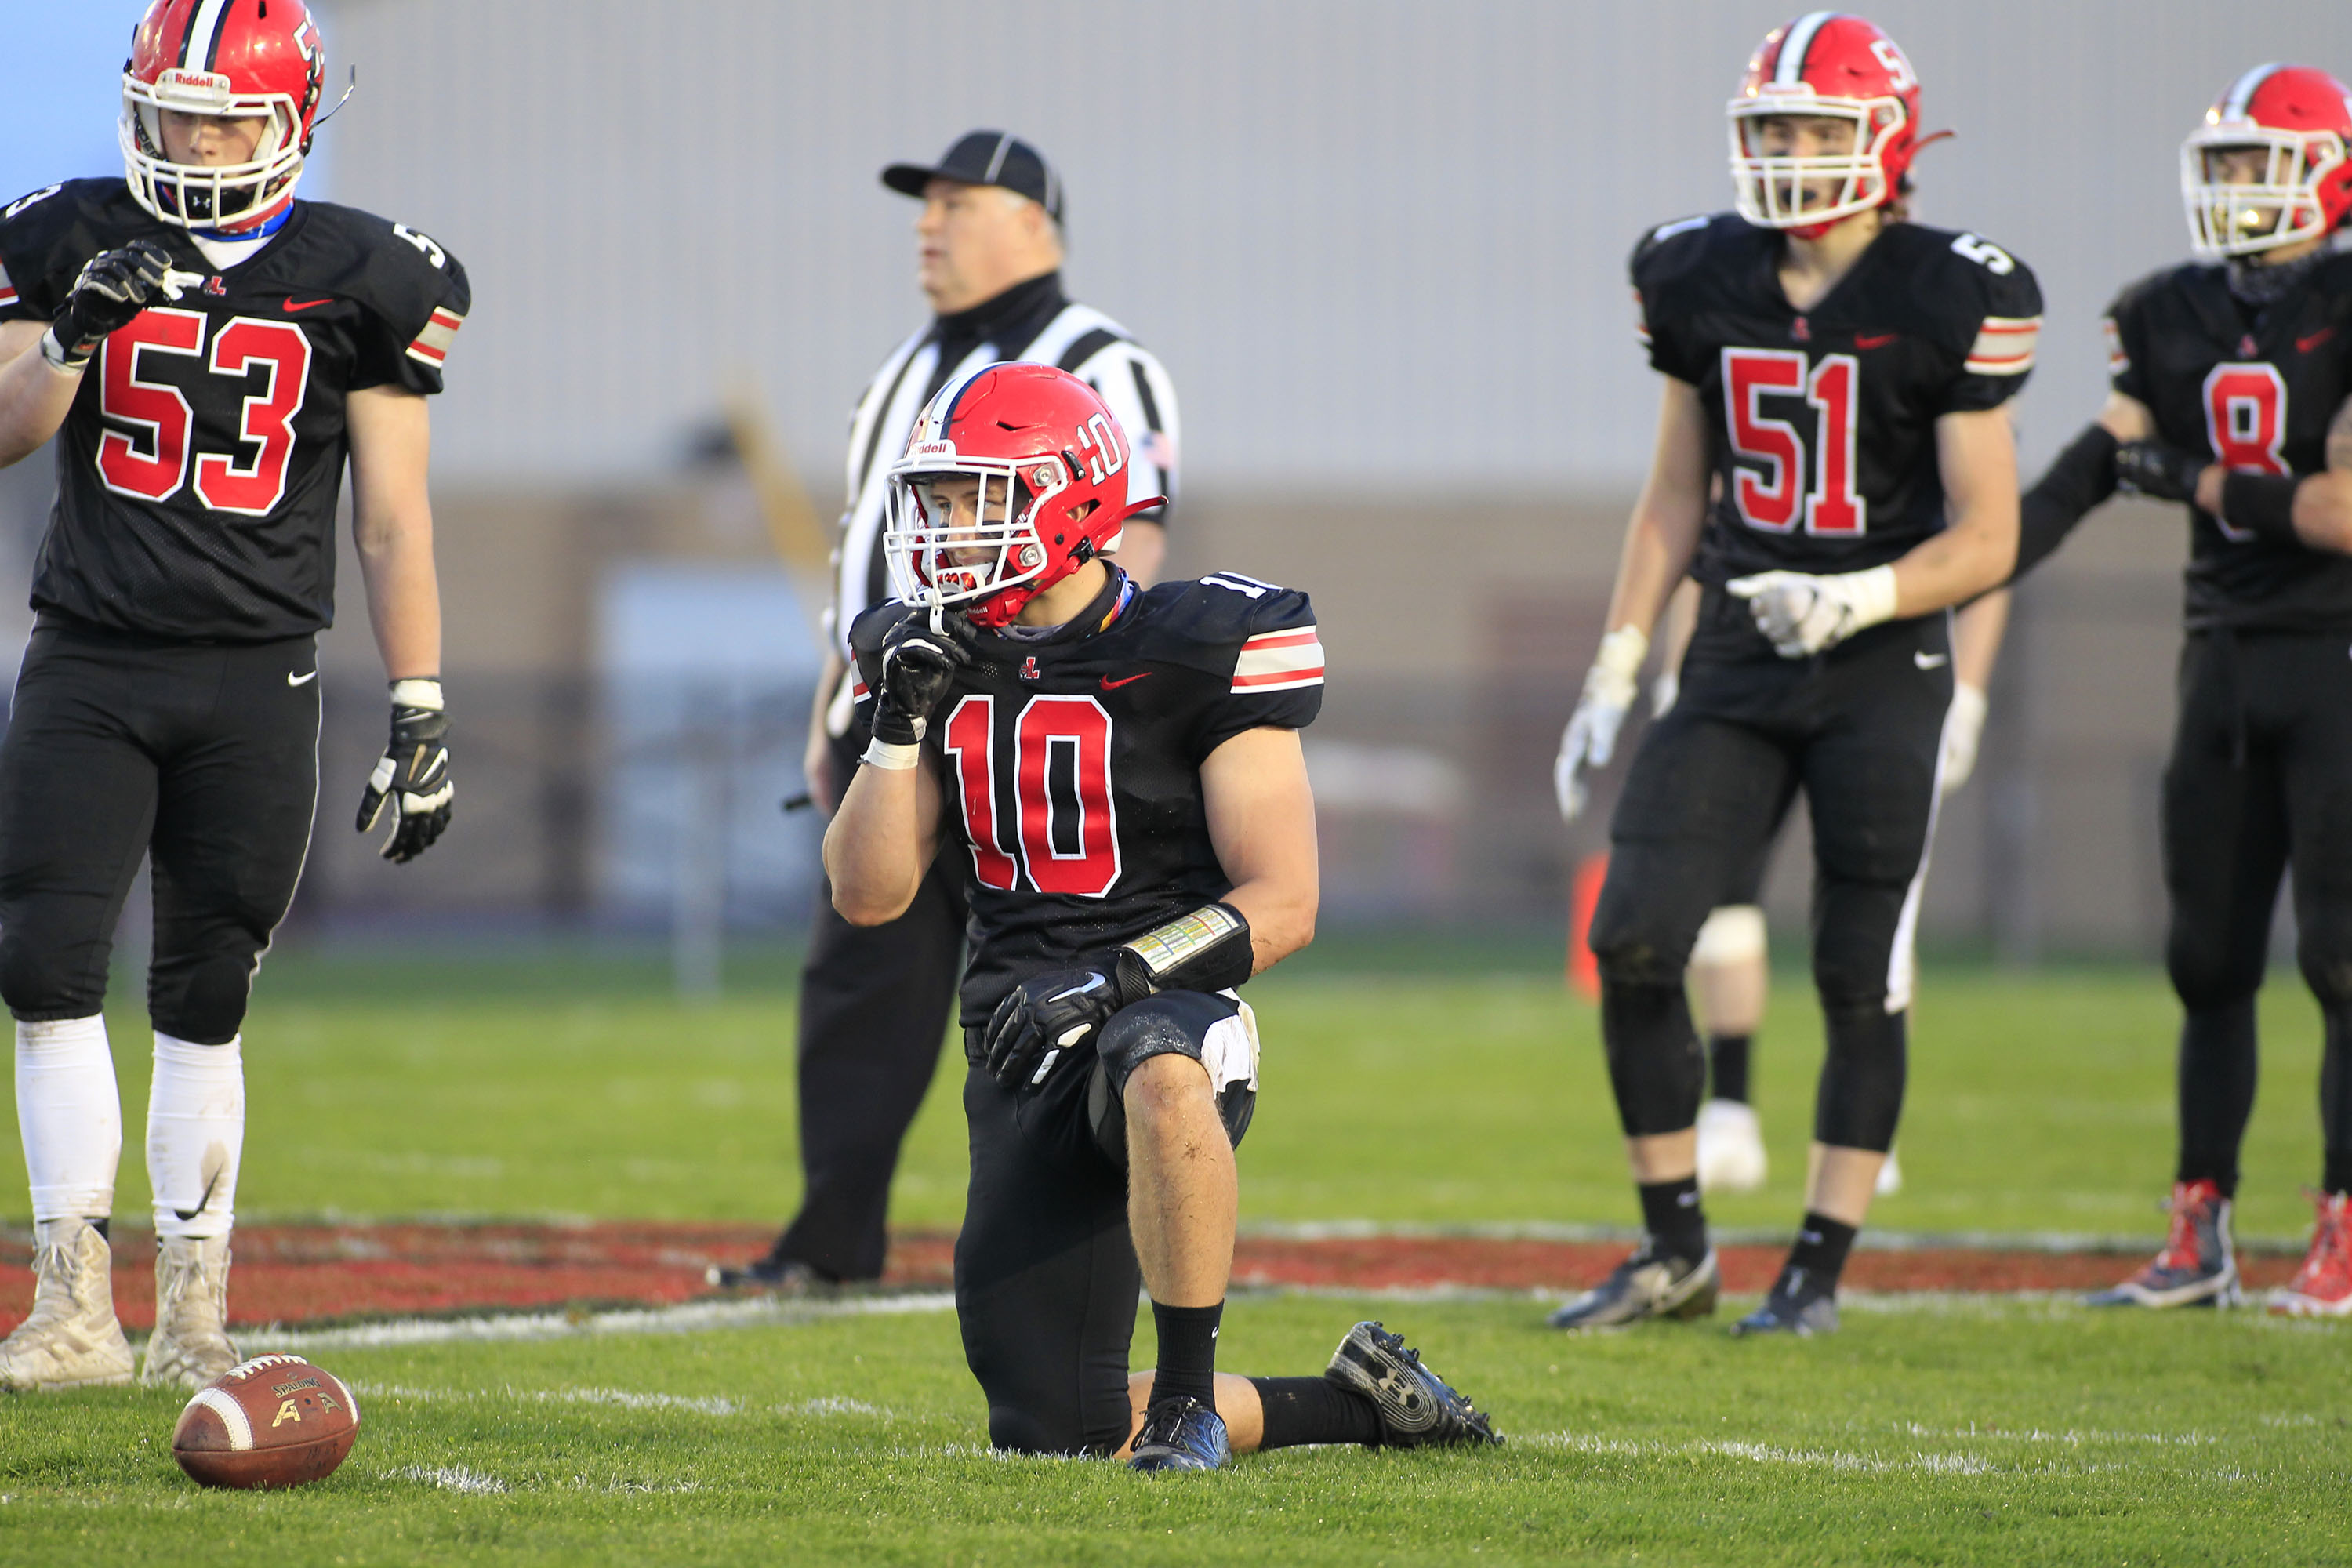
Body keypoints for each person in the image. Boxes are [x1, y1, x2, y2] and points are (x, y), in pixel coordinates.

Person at [828, 361, 1498, 1467]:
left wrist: (1115, 980)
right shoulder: (928, 654)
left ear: (1074, 500)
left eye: (973, 500)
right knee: (1053, 1431)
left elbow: (1285, 900)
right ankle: (1362, 1403)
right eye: (937, 502)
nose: (944, 530)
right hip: (1016, 1037)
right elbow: (867, 894)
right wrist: (896, 731)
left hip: (1171, 1006)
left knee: (1155, 1060)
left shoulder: (1194, 646)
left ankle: (1190, 1395)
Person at [1548, 12, 2038, 1336]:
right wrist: (1618, 654)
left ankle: (1816, 1268)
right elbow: (1672, 493)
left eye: (1823, 128)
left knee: (1858, 967)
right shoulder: (1699, 275)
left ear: (1887, 140)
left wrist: (1862, 594)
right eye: (1775, 129)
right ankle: (1675, 1254)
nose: (1795, 153)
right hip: (1735, 654)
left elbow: (1989, 534)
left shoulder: (1950, 291)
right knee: (1637, 935)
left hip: (1881, 660)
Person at [0, 0, 465, 1391]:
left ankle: (194, 1307)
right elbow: (5, 433)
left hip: (261, 670)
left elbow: (393, 520)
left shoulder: (369, 273)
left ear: (292, 123)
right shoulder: (62, 233)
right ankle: (73, 1305)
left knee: (207, 985)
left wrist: (423, 701)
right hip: (90, 653)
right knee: (41, 963)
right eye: (176, 110)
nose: (196, 138)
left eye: (224, 113)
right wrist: (67, 343)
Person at [715, 131, 1180, 1291]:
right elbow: (867, 553)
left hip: (1029, 707)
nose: (931, 223)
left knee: (1061, 960)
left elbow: (1134, 535)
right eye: (925, 205)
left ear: (1038, 223)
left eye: (961, 203)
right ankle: (834, 1233)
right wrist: (841, 696)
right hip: (903, 700)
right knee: (861, 959)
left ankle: (1107, 1227)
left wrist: (1086, 696)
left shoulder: (1102, 358)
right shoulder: (905, 365)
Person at [2006, 64, 2352, 1316]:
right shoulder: (2166, 311)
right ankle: (2199, 1226)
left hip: (2334, 664)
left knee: (2342, 960)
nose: (2236, 188)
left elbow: (2344, 510)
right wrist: (1949, 572)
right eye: (2225, 163)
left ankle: (2343, 1226)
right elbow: (2087, 470)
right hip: (2221, 662)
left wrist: (2198, 481)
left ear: (2327, 172)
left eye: (2261, 162)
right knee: (2206, 960)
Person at [1634, 581, 2012, 1195]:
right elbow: (1705, 536)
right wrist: (1681, 669)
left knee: (1875, 908)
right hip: (1755, 679)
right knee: (1726, 895)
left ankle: (1869, 1126)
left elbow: (1987, 548)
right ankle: (1729, 1112)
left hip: (1879, 680)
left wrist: (1966, 694)